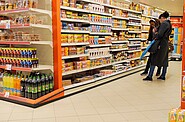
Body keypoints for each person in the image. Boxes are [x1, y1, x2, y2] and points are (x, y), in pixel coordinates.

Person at [143, 11, 172, 81]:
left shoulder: (164, 24)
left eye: (160, 19)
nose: (160, 21)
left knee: (153, 59)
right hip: (165, 44)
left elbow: (160, 34)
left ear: (162, 18)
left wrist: (155, 33)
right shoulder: (169, 23)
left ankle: (150, 76)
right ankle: (163, 75)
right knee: (164, 60)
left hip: (160, 44)